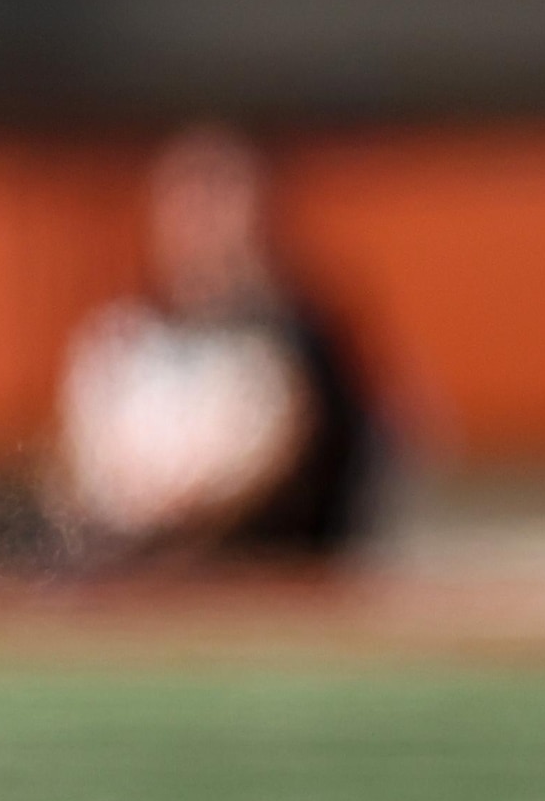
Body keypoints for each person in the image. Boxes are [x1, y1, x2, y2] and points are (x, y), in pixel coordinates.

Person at [41, 124, 381, 567]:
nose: (200, 222)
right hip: (127, 584)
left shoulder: (304, 347)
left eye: (218, 197)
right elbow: (68, 480)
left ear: (259, 211)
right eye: (184, 199)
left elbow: (292, 469)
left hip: (266, 585)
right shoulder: (122, 344)